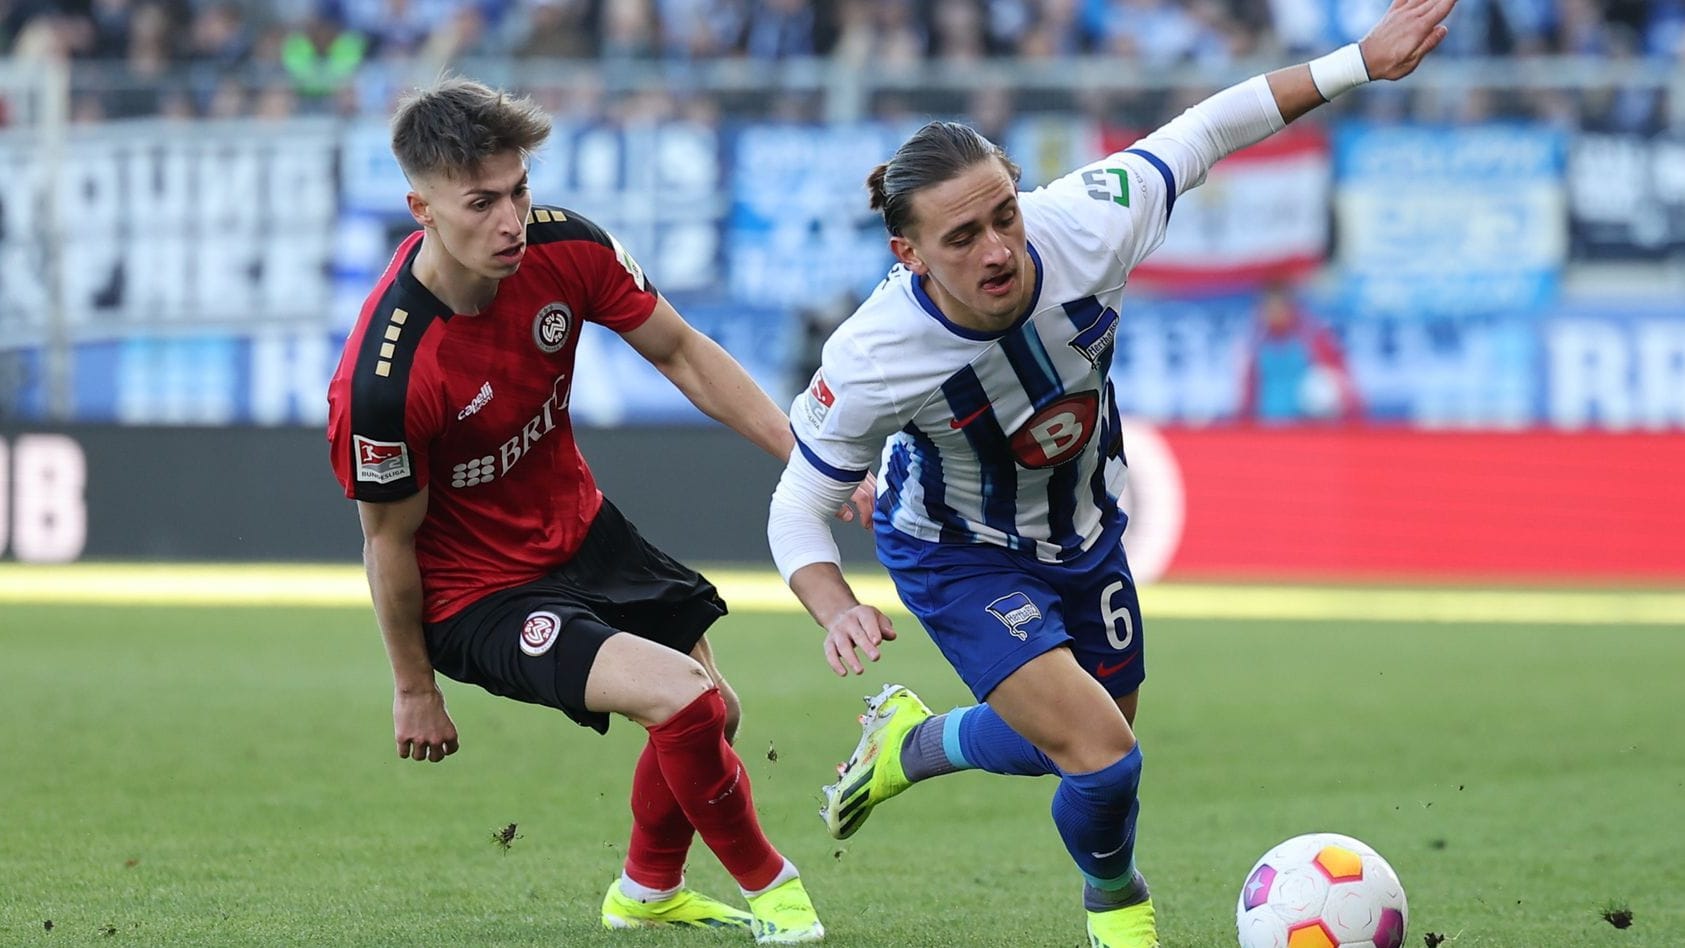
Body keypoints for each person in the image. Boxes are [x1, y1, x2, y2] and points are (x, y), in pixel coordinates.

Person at [763, 1, 1458, 945]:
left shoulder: (1089, 220)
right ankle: (1120, 911)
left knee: (1085, 737)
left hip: (1085, 532)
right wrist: (834, 603)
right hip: (956, 550)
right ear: (908, 253)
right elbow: (797, 504)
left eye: (1002, 216)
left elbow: (1210, 127)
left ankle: (912, 745)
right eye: (960, 239)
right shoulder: (874, 352)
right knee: (1104, 759)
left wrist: (1358, 64)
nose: (997, 249)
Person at [326, 77, 869, 944]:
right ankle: (777, 892)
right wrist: (412, 685)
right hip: (477, 596)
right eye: (481, 203)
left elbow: (685, 354)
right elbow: (387, 543)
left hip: (582, 530)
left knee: (715, 714)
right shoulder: (385, 380)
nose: (510, 221)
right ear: (420, 207)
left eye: (519, 191)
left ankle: (645, 892)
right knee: (687, 704)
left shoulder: (565, 246)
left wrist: (813, 459)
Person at [1239, 278, 1363, 424]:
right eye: (1269, 307)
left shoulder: (1311, 337)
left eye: (1279, 306)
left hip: (1305, 425)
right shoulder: (1255, 343)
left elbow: (1338, 377)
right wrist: (1246, 419)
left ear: (1289, 307)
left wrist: (1345, 410)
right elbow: (1248, 389)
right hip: (1267, 422)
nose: (1274, 313)